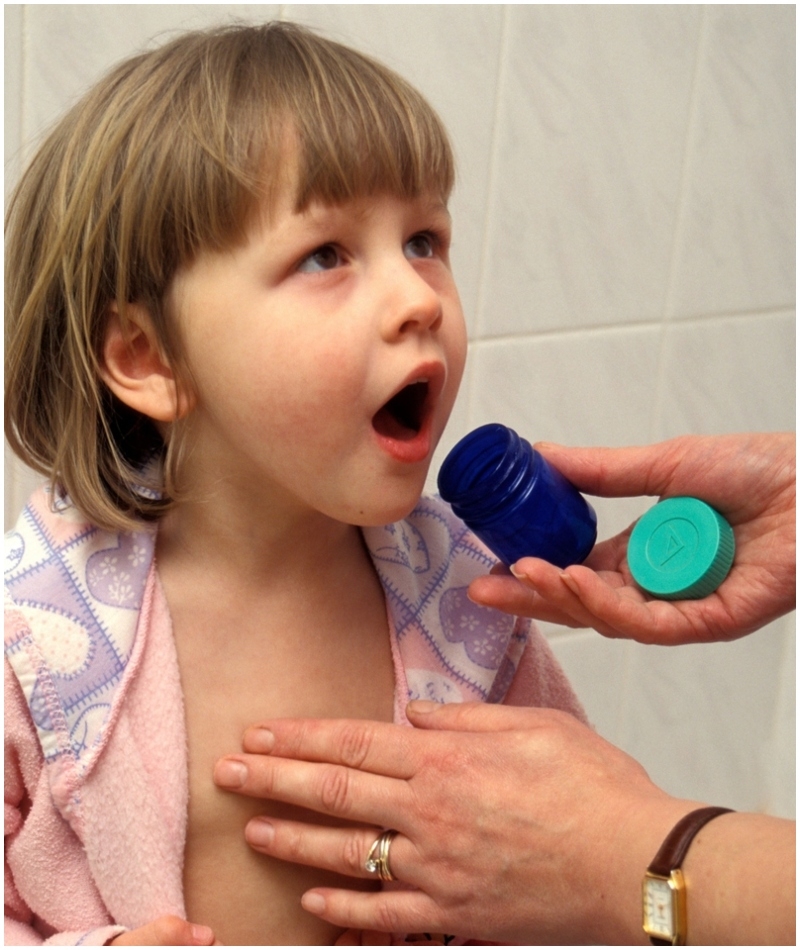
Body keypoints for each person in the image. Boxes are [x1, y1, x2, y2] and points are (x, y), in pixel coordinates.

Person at [3, 22, 589, 948]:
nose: (420, 298)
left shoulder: (466, 603)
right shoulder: (37, 634)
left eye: (425, 239)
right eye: (327, 254)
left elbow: (568, 848)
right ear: (149, 357)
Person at [212, 431, 796, 945]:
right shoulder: (124, 626)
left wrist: (602, 857)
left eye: (442, 292)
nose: (420, 303)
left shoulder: (452, 580)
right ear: (145, 363)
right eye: (326, 295)